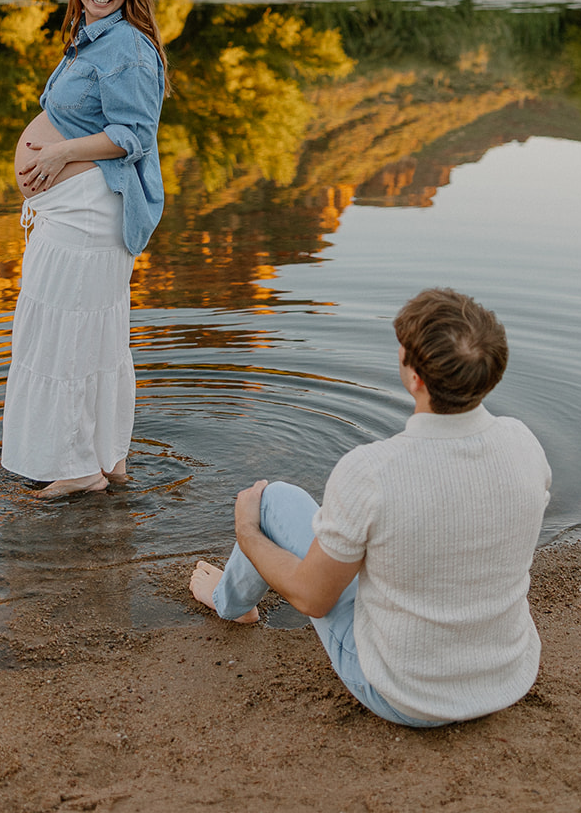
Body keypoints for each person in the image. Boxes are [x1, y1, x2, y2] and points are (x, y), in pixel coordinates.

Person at [190, 288, 551, 726]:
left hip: (405, 695)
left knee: (271, 501)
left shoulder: (372, 470)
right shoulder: (524, 445)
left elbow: (312, 599)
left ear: (414, 377)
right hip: (504, 676)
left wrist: (247, 530)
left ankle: (231, 603)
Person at [2, 0, 167, 499]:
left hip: (88, 216)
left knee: (65, 335)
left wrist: (62, 152)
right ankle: (104, 460)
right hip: (72, 214)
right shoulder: (92, 39)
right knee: (87, 336)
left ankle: (76, 468)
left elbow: (136, 135)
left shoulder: (127, 47)